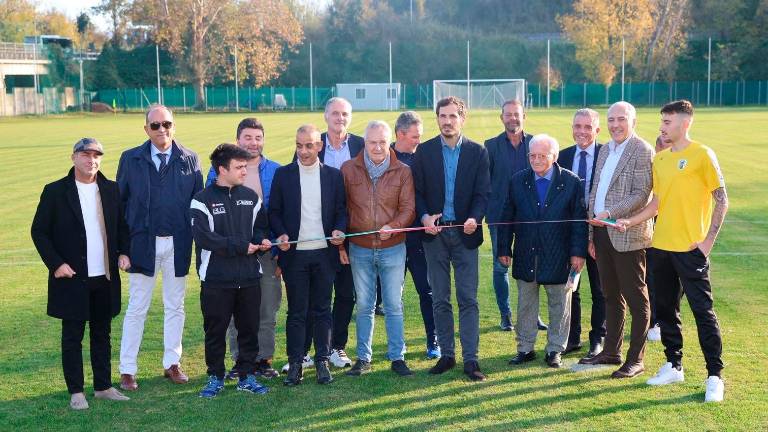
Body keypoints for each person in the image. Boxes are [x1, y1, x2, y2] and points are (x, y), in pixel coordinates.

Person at [614, 100, 728, 402]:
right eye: (662, 122)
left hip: (691, 251)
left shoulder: (703, 154)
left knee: (703, 313)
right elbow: (656, 203)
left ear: (685, 123)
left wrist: (706, 244)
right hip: (660, 248)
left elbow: (722, 200)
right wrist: (630, 220)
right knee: (665, 312)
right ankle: (673, 365)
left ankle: (715, 375)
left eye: (668, 122)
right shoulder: (661, 160)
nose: (662, 127)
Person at [31, 138, 131, 410]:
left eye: (96, 155)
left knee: (102, 333)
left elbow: (122, 227)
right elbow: (39, 231)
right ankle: (76, 391)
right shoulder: (55, 191)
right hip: (72, 277)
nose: (91, 160)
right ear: (73, 157)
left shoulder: (111, 189)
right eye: (85, 154)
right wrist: (56, 264)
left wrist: (123, 252)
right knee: (73, 336)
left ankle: (103, 386)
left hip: (105, 277)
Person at [117, 105, 203, 391]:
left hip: (178, 244)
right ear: (146, 129)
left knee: (175, 306)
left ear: (174, 125)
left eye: (166, 124)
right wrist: (122, 248)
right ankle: (128, 369)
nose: (162, 129)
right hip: (143, 244)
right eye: (155, 125)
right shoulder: (131, 159)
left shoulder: (190, 158)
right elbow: (120, 205)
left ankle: (172, 363)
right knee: (137, 307)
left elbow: (197, 205)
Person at [411, 96, 491, 381]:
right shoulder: (425, 152)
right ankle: (447, 355)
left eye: (452, 116)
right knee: (440, 299)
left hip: (465, 234)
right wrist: (423, 218)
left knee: (468, 298)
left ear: (462, 118)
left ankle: (471, 360)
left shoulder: (477, 152)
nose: (447, 121)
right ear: (437, 119)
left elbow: (483, 194)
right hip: (435, 235)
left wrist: (475, 218)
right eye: (442, 116)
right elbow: (416, 193)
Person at [578, 101, 654, 380]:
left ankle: (637, 359)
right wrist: (591, 234)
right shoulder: (604, 149)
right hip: (601, 232)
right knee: (609, 295)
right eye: (611, 120)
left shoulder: (642, 150)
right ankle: (612, 351)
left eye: (621, 119)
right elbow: (595, 191)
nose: (615, 125)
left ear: (633, 121)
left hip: (627, 233)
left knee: (637, 298)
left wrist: (610, 213)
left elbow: (641, 194)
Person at [499, 134, 587, 368]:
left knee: (559, 303)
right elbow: (507, 217)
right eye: (532, 155)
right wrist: (503, 247)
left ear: (555, 156)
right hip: (526, 252)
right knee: (526, 303)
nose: (536, 160)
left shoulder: (571, 182)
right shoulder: (518, 180)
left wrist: (578, 253)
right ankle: (525, 348)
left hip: (559, 254)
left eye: (542, 155)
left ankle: (555, 349)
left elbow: (580, 222)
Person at [191, 144, 272, 398]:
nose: (244, 172)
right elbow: (205, 239)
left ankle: (247, 376)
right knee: (215, 332)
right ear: (221, 169)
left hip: (249, 278)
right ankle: (215, 377)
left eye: (245, 167)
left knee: (249, 329)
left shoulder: (251, 197)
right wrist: (240, 246)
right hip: (216, 280)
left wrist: (260, 242)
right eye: (238, 167)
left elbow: (261, 227)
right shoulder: (201, 200)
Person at [205, 118, 282, 380]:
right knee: (236, 313)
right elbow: (211, 209)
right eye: (248, 137)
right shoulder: (219, 171)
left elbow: (280, 211)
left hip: (266, 251)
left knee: (267, 310)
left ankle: (263, 359)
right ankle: (240, 360)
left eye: (258, 137)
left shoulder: (276, 170)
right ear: (238, 139)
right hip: (232, 255)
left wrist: (274, 246)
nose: (253, 142)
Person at [270, 124, 347, 386]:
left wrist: (339, 229)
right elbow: (275, 212)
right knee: (297, 312)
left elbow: (340, 211)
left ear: (319, 145)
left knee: (323, 310)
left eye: (309, 145)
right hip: (295, 257)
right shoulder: (283, 175)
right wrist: (280, 235)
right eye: (299, 145)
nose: (304, 151)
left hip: (325, 255)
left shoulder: (334, 176)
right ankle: (295, 363)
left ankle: (322, 361)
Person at [290, 97, 362, 371]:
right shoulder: (310, 143)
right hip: (317, 239)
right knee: (312, 298)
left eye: (344, 114)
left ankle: (336, 347)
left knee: (345, 293)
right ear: (325, 116)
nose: (339, 118)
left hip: (351, 232)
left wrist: (344, 233)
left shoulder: (360, 145)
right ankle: (307, 351)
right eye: (335, 113)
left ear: (350, 117)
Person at [341, 120, 416, 377]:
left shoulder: (403, 171)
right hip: (360, 248)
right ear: (365, 142)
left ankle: (398, 357)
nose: (377, 147)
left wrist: (394, 226)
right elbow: (342, 208)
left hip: (393, 248)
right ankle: (363, 358)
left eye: (382, 142)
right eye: (372, 142)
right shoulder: (348, 169)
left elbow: (408, 209)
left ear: (390, 141)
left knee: (394, 304)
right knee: (364, 305)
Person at [484, 100, 547, 332]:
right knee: (501, 267)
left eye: (516, 114)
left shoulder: (536, 144)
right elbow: (485, 183)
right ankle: (506, 315)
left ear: (524, 116)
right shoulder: (490, 146)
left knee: (533, 265)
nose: (513, 118)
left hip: (531, 217)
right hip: (500, 217)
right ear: (502, 117)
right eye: (508, 114)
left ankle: (533, 315)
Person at [556, 108, 607, 358]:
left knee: (600, 288)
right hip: (571, 232)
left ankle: (598, 337)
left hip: (599, 231)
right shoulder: (563, 156)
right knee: (570, 287)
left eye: (588, 127)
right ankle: (572, 337)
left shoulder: (607, 155)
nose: (582, 132)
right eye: (578, 126)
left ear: (597, 130)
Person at [391, 111, 440, 359]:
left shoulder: (423, 157)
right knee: (391, 297)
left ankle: (433, 340)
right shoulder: (384, 156)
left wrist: (428, 217)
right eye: (414, 137)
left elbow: (426, 193)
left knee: (427, 291)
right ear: (400, 134)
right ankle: (396, 345)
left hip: (420, 240)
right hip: (391, 240)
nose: (418, 141)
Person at [645, 135, 673, 342]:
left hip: (676, 231)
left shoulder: (682, 167)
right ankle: (655, 321)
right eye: (660, 145)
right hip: (651, 229)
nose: (663, 148)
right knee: (652, 278)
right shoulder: (651, 166)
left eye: (668, 144)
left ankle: (666, 316)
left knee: (675, 280)